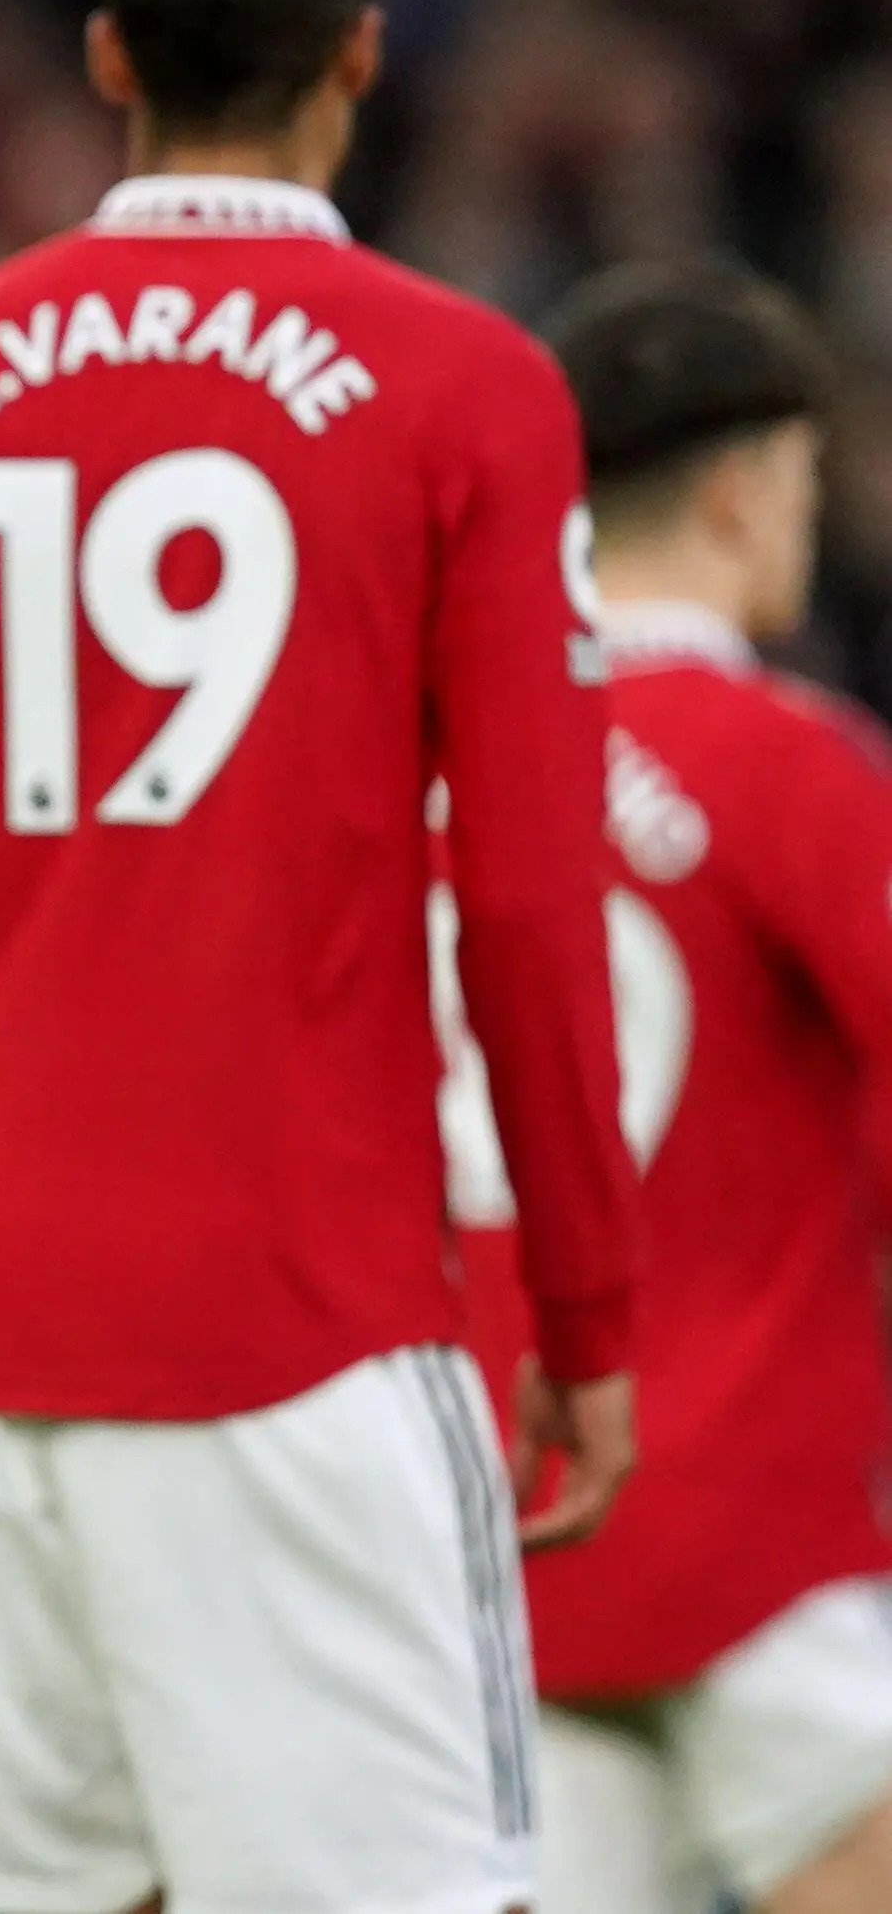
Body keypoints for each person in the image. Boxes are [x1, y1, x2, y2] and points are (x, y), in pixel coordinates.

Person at [0, 0, 643, 1914]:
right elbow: (523, 900)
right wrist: (587, 1320)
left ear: (106, 58)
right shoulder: (471, 397)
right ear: (358, 56)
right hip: (306, 1348)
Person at [433, 266, 892, 1914]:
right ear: (741, 486)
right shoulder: (784, 767)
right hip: (755, 1525)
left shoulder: (429, 779)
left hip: (486, 1545)